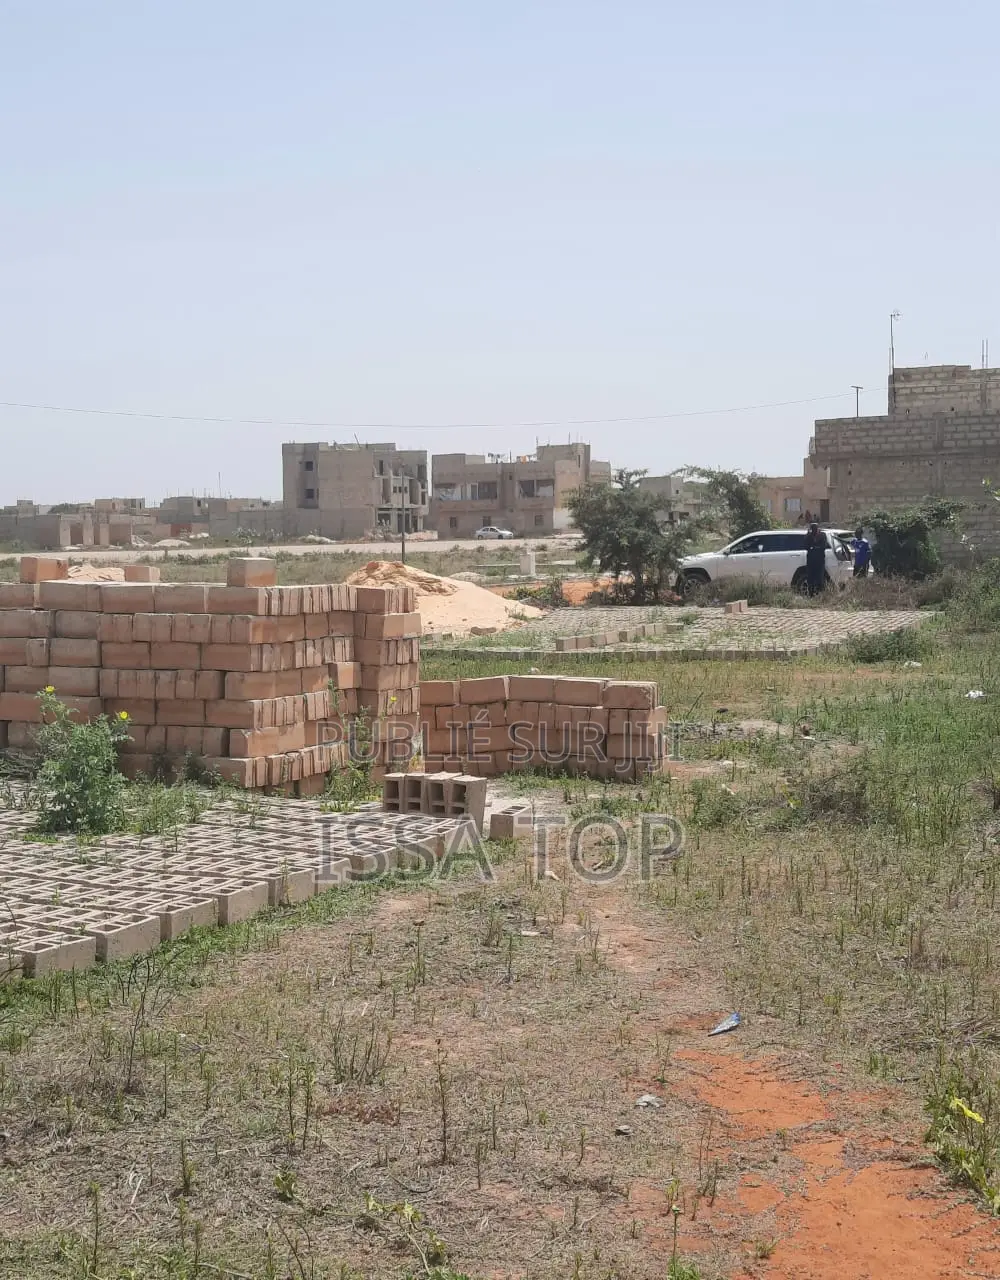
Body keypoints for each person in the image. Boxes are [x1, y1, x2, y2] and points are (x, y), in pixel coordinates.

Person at [804, 522, 828, 596]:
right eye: (812, 529)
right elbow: (806, 546)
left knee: (819, 579)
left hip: (820, 561)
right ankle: (811, 594)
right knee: (810, 579)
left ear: (817, 529)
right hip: (811, 561)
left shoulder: (822, 536)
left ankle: (819, 594)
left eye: (815, 528)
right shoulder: (808, 536)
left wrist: (813, 547)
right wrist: (815, 547)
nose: (814, 530)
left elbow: (823, 546)